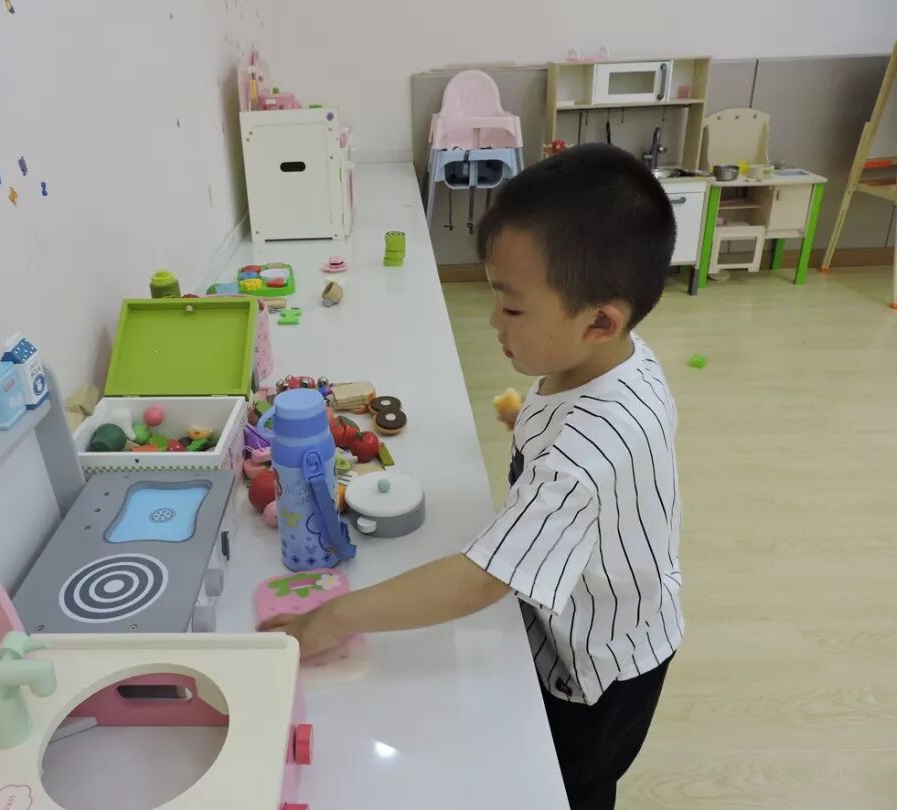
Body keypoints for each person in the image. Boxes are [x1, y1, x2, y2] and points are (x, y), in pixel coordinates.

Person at [261, 143, 684, 810]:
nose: (493, 322)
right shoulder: (614, 361)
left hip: (599, 665)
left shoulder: (586, 452)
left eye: (512, 309)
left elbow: (483, 579)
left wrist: (333, 615)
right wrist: (532, 426)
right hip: (609, 607)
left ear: (601, 320)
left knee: (570, 784)